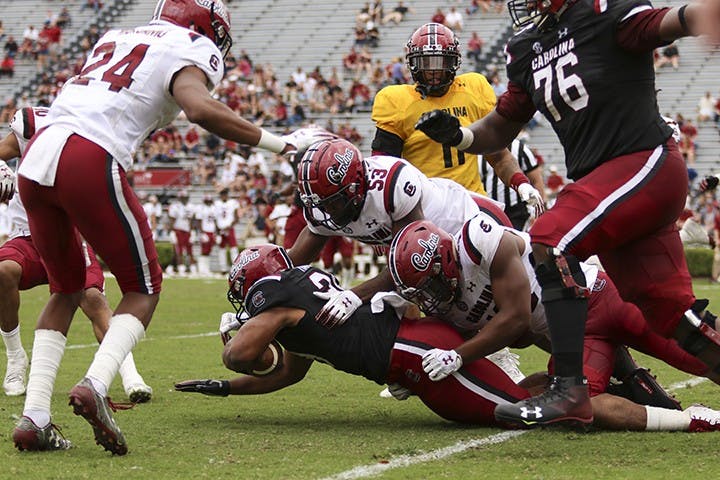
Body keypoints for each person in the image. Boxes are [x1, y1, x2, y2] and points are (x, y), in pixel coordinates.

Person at [414, 0, 720, 428]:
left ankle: (569, 389)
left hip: (642, 162)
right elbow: (502, 125)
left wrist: (699, 16)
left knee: (550, 236)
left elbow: (664, 22)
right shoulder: (528, 46)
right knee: (673, 316)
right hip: (610, 185)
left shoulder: (605, 13)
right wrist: (462, 136)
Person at [12, 0, 300, 454]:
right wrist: (281, 145)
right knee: (144, 287)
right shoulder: (187, 45)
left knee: (65, 290)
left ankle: (35, 418)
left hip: (39, 154)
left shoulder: (116, 36)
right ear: (204, 24)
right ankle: (95, 382)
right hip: (88, 153)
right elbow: (199, 109)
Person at [175, 244, 720, 433]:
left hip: (413, 355)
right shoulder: (295, 298)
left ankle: (693, 417)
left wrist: (234, 342)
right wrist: (224, 389)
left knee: (563, 412)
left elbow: (248, 352)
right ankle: (617, 387)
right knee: (534, 399)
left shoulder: (276, 299)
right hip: (411, 345)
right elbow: (287, 372)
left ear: (253, 286)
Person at [0, 106, 152, 405]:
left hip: (70, 237)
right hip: (28, 237)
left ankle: (129, 373)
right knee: (3, 271)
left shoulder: (90, 142)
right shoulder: (32, 126)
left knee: (93, 299)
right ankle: (16, 357)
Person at [370, 23, 544, 213]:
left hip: (473, 204)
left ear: (453, 62)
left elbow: (499, 156)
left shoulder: (473, 88)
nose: (434, 72)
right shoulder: (396, 101)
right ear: (413, 63)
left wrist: (521, 184)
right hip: (423, 209)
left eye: (440, 63)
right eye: (426, 63)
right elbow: (384, 170)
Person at [480, 139, 546, 230]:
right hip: (488, 208)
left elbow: (536, 180)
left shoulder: (520, 148)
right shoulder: (478, 147)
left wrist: (538, 212)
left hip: (516, 210)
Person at [167, 190, 197, 276]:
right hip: (178, 230)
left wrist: (193, 231)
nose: (184, 199)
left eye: (186, 197)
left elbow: (192, 220)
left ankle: (192, 268)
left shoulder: (191, 206)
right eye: (183, 197)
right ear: (180, 198)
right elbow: (172, 220)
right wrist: (172, 231)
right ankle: (181, 268)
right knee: (178, 250)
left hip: (187, 231)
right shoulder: (175, 206)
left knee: (189, 250)